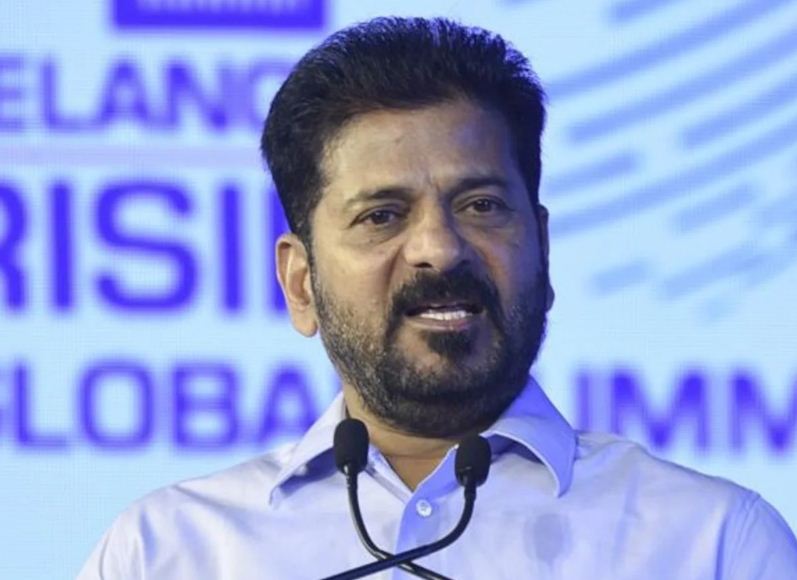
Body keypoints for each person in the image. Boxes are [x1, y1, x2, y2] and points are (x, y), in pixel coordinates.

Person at [78, 16, 797, 579]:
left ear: (542, 249)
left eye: (481, 206)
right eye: (382, 216)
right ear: (301, 283)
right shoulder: (168, 552)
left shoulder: (711, 545)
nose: (440, 249)